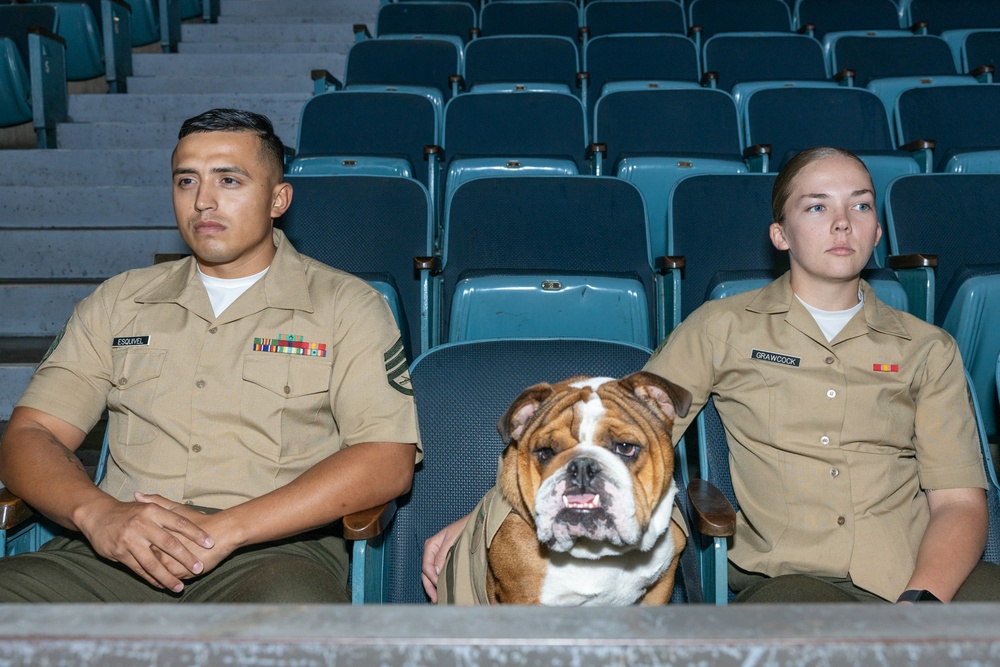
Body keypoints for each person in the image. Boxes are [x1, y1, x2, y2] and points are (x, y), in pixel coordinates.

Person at [423, 146, 1000, 604]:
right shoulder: (722, 327)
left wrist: (919, 606)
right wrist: (484, 515)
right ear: (781, 234)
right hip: (790, 579)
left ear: (878, 233)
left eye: (862, 205)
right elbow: (628, 434)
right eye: (817, 206)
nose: (843, 223)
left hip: (918, 571)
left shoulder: (929, 349)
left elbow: (958, 503)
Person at [0, 108, 421, 603]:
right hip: (115, 552)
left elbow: (386, 459)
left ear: (278, 199)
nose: (203, 200)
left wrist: (229, 529)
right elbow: (31, 434)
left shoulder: (345, 307)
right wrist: (98, 514)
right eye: (186, 181)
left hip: (272, 557)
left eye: (229, 179)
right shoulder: (119, 302)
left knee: (288, 634)